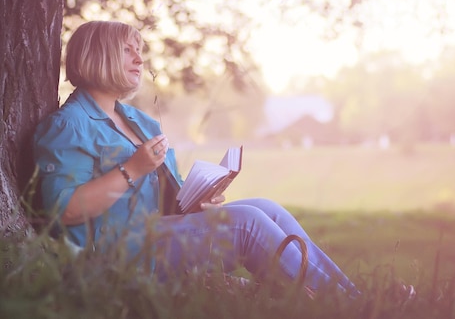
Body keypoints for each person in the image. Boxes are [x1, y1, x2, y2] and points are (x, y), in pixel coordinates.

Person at [33, 20, 361, 297]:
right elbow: (66, 210)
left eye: (140, 51)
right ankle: (346, 306)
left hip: (156, 233)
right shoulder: (69, 125)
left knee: (265, 207)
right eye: (127, 50)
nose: (139, 59)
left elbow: (159, 200)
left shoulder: (138, 121)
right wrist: (132, 169)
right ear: (96, 56)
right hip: (118, 256)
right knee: (247, 222)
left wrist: (198, 200)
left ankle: (349, 297)